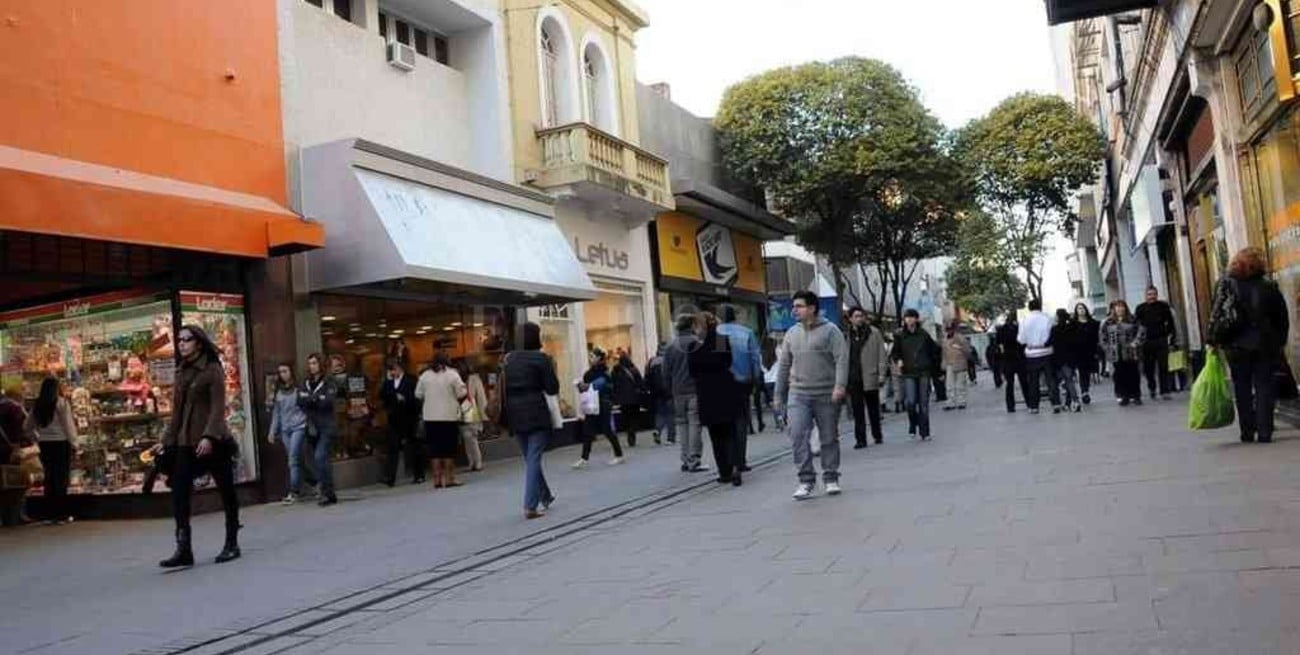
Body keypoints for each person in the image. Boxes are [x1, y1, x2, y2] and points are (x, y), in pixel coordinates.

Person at [154, 325, 241, 567]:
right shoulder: (181, 372)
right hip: (185, 442)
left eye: (186, 340)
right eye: (179, 340)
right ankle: (184, 548)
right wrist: (166, 441)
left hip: (214, 442)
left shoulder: (213, 370)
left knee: (226, 491)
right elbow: (177, 413)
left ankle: (232, 542)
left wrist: (209, 437)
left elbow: (217, 408)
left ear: (199, 343)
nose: (181, 344)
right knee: (180, 494)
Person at [1208, 247, 1291, 443]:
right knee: (1264, 387)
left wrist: (1212, 340)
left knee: (1241, 387)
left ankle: (1247, 430)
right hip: (1264, 344)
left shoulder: (1225, 284)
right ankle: (1264, 431)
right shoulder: (1268, 286)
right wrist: (1280, 342)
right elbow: (1282, 317)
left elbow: (1216, 313)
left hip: (1235, 345)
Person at [775, 290, 849, 500]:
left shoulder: (831, 331)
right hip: (798, 394)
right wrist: (778, 395)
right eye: (794, 306)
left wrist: (839, 386)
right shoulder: (791, 333)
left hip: (826, 393)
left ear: (812, 308)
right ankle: (806, 480)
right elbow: (784, 366)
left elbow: (841, 359)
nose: (794, 310)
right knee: (797, 434)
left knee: (828, 437)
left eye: (798, 306)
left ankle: (831, 477)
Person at [502, 322, 558, 518]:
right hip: (535, 411)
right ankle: (530, 506)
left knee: (530, 458)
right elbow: (552, 388)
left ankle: (546, 495)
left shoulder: (508, 360)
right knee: (534, 458)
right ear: (536, 337)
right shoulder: (541, 359)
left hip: (514, 414)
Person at [690, 312, 743, 486]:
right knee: (731, 432)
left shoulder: (694, 345)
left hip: (706, 392)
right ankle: (736, 464)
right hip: (725, 388)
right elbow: (728, 361)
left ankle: (724, 471)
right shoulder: (721, 339)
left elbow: (692, 371)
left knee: (716, 435)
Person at [717, 305, 761, 472]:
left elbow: (720, 359)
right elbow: (755, 358)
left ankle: (729, 459)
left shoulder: (718, 333)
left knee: (726, 421)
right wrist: (756, 379)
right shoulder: (746, 332)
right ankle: (740, 460)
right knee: (741, 420)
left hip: (723, 383)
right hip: (743, 381)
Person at [26, 377, 76, 524]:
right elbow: (68, 425)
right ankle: (61, 514)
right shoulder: (61, 403)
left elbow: (27, 426)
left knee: (49, 477)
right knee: (61, 478)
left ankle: (49, 514)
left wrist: (36, 437)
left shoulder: (37, 405)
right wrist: (74, 442)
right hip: (61, 443)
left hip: (45, 444)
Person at [416, 353, 468, 487]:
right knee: (448, 449)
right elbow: (461, 392)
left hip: (430, 418)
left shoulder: (425, 376)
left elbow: (418, 394)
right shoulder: (452, 374)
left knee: (434, 450)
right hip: (448, 417)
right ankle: (450, 479)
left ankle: (437, 480)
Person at [665, 310, 707, 472]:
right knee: (695, 425)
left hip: (677, 392)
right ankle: (694, 459)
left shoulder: (670, 347)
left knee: (682, 425)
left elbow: (665, 371)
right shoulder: (697, 344)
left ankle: (685, 459)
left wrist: (669, 389)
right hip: (694, 391)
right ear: (692, 326)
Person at [891, 308, 939, 440]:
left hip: (924, 372)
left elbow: (935, 351)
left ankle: (925, 432)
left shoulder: (923, 334)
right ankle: (913, 423)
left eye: (912, 317)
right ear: (904, 320)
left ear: (916, 319)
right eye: (907, 317)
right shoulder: (900, 335)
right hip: (909, 373)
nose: (909, 320)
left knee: (923, 403)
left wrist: (934, 368)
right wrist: (899, 360)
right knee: (910, 402)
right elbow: (895, 352)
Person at [298, 353, 339, 506]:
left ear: (320, 364)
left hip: (327, 426)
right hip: (311, 426)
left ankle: (328, 494)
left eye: (314, 363)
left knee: (321, 457)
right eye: (310, 363)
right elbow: (300, 400)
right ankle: (323, 488)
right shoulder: (307, 382)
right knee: (307, 458)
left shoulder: (329, 381)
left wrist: (311, 399)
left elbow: (327, 401)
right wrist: (313, 399)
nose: (312, 366)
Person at [267, 362, 311, 503]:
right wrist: (272, 431)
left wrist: (306, 422)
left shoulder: (299, 388)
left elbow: (307, 406)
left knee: (292, 460)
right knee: (296, 460)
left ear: (291, 372)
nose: (283, 374)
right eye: (280, 372)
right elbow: (276, 413)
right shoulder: (278, 391)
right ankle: (315, 482)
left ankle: (294, 492)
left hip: (299, 426)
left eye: (285, 371)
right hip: (285, 430)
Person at [574, 348, 625, 468]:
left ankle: (619, 455)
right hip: (592, 404)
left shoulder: (605, 371)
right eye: (589, 356)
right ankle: (584, 458)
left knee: (607, 429)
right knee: (587, 430)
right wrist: (581, 387)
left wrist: (589, 386)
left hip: (603, 403)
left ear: (598, 358)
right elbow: (586, 390)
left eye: (592, 356)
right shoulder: (588, 373)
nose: (590, 358)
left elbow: (605, 385)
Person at [379, 358, 423, 485]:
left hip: (409, 417)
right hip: (394, 418)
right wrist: (390, 387)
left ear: (400, 368)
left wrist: (405, 398)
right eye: (390, 370)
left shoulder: (411, 380)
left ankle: (418, 474)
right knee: (392, 447)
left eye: (394, 369)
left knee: (414, 446)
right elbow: (382, 395)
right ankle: (390, 477)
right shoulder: (388, 382)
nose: (392, 372)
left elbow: (417, 397)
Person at [845, 308, 883, 448]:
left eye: (861, 316)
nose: (859, 318)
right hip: (854, 377)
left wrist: (881, 374)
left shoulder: (874, 332)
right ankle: (860, 439)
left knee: (873, 408)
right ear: (850, 319)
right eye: (856, 316)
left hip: (870, 375)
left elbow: (881, 354)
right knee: (857, 411)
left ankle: (877, 434)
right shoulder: (846, 335)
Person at [1018, 299, 1061, 414]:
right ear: (1040, 307)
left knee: (1033, 381)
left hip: (1031, 353)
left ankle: (1034, 406)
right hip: (1047, 352)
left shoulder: (1024, 320)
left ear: (1029, 308)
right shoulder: (1048, 318)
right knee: (1051, 380)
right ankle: (1056, 403)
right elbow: (1053, 334)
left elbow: (1021, 339)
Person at [1135, 286, 1178, 401]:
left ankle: (1165, 391)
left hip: (1161, 340)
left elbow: (1170, 322)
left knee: (1163, 366)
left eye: (1153, 294)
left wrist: (1171, 336)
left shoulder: (1163, 307)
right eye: (1149, 294)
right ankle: (1152, 387)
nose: (1151, 296)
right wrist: (1137, 341)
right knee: (1148, 367)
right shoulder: (1140, 308)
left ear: (1157, 295)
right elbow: (1136, 325)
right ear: (1145, 296)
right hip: (1146, 342)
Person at [1101, 300, 1145, 406]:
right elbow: (1103, 337)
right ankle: (1123, 396)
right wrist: (1107, 348)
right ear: (1114, 309)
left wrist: (1135, 343)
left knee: (1133, 374)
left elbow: (1141, 332)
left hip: (1131, 351)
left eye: (1122, 306)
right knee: (1120, 375)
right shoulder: (1108, 322)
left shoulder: (1133, 319)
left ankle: (1136, 395)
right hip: (1116, 352)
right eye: (1117, 307)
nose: (1120, 309)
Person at [456, 360, 488, 471]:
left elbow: (481, 397)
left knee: (472, 438)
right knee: (466, 438)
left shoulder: (474, 379)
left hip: (472, 410)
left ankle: (477, 462)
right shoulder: (456, 380)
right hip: (460, 412)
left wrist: (484, 414)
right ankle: (471, 462)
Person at [1050, 309, 1082, 412]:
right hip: (1071, 358)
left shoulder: (1055, 329)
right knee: (1069, 380)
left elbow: (1049, 342)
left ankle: (1074, 401)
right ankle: (1069, 402)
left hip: (1059, 359)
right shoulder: (1071, 328)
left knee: (1066, 381)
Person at [610, 353, 644, 448]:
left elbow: (613, 385)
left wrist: (615, 398)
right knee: (634, 417)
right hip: (634, 399)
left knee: (626, 417)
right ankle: (632, 434)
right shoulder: (634, 370)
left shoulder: (615, 371)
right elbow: (640, 383)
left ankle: (629, 432)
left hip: (622, 400)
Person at [996, 314, 1028, 413]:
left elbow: (999, 345)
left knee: (1009, 384)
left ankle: (1010, 406)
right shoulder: (1018, 329)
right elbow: (1023, 343)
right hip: (1019, 358)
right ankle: (1029, 402)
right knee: (1024, 382)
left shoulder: (1001, 330)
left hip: (1008, 358)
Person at [1072, 303, 1101, 405]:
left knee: (1087, 372)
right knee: (1082, 372)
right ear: (1076, 311)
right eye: (1079, 308)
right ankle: (1084, 392)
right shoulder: (1073, 323)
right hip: (1078, 352)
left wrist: (1097, 351)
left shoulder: (1093, 323)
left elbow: (1098, 338)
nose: (1081, 310)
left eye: (1083, 308)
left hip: (1090, 351)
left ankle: (1085, 390)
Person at [644, 344, 674, 445]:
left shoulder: (651, 362)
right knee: (670, 414)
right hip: (669, 391)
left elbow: (647, 378)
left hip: (656, 393)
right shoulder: (668, 361)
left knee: (659, 413)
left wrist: (649, 390)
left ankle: (657, 430)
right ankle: (670, 438)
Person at [942, 321, 970, 411]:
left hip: (960, 363)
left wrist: (960, 348)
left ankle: (962, 401)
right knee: (949, 385)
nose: (949, 331)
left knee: (960, 384)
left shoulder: (960, 338)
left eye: (950, 329)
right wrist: (943, 364)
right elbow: (943, 353)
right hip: (949, 364)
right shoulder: (945, 340)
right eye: (947, 329)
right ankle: (950, 402)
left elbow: (967, 351)